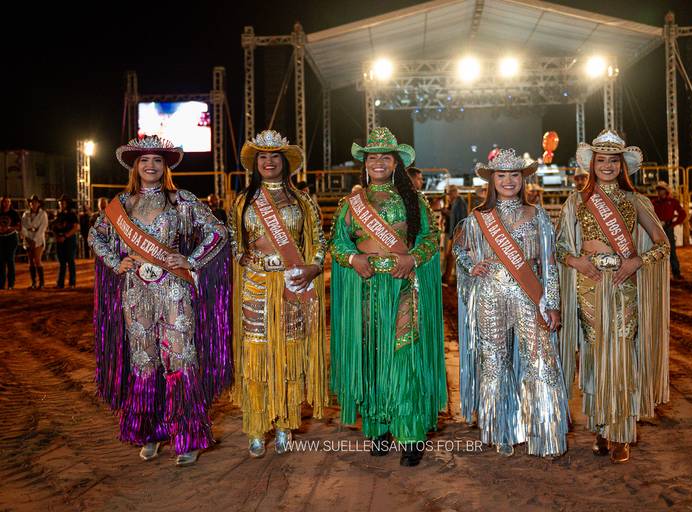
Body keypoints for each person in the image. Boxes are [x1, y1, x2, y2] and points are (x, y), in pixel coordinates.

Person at [88, 135, 232, 466]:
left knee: (180, 358)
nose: (150, 165)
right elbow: (95, 235)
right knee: (144, 360)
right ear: (135, 167)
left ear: (165, 166)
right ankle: (150, 433)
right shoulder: (122, 204)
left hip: (173, 290)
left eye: (157, 160)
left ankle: (187, 437)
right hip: (136, 291)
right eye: (144, 160)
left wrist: (191, 260)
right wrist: (116, 262)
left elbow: (218, 232)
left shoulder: (181, 200)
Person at [330, 127, 446, 467]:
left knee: (403, 355)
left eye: (385, 157)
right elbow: (338, 243)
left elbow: (429, 238)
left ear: (396, 163)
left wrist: (413, 259)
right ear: (364, 163)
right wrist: (354, 259)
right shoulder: (350, 205)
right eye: (372, 157)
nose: (378, 162)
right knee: (372, 355)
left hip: (404, 287)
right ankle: (378, 429)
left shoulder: (414, 201)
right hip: (366, 289)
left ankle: (410, 434)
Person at [556, 129, 670, 464]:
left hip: (624, 286)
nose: (607, 166)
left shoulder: (636, 201)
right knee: (595, 358)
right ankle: (601, 429)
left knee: (621, 356)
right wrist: (577, 261)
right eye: (601, 160)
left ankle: (622, 433)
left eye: (614, 161)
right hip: (589, 288)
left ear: (623, 166)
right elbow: (560, 248)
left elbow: (662, 244)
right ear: (592, 165)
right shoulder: (576, 201)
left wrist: (637, 261)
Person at [454, 148, 567, 457]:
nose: (508, 181)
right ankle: (501, 431)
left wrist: (552, 304)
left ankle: (544, 434)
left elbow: (549, 263)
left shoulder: (538, 215)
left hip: (530, 296)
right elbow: (459, 249)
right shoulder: (478, 218)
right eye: (501, 175)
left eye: (514, 175)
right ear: (491, 181)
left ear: (522, 179)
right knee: (494, 362)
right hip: (490, 296)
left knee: (540, 360)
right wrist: (471, 266)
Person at [228, 130, 327, 457]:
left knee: (289, 354)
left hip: (291, 284)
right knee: (256, 354)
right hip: (255, 285)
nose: (268, 162)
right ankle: (257, 427)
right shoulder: (243, 201)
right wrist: (244, 258)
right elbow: (234, 241)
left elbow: (319, 242)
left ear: (284, 161)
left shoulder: (302, 201)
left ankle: (285, 423)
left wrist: (313, 268)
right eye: (262, 157)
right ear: (255, 163)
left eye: (274, 156)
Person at [652, 181, 686, 279]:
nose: (659, 191)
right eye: (658, 190)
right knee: (658, 250)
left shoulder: (672, 201)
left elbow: (683, 214)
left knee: (671, 250)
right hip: (658, 228)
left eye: (661, 189)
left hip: (667, 228)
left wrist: (673, 224)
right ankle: (659, 274)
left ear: (665, 191)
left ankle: (676, 272)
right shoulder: (654, 203)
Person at [51, 195, 79, 288]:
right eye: (60, 202)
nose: (61, 204)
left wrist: (65, 236)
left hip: (69, 240)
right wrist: (57, 236)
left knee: (70, 261)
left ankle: (72, 283)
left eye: (63, 203)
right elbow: (54, 227)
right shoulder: (58, 214)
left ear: (67, 204)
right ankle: (60, 283)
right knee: (62, 262)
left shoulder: (71, 214)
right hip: (60, 240)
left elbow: (76, 227)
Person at [442, 184, 467, 284]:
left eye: (449, 194)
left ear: (454, 192)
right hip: (454, 233)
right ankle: (447, 278)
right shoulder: (457, 202)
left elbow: (461, 221)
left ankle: (447, 279)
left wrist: (457, 235)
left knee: (451, 256)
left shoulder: (459, 202)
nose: (448, 196)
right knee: (451, 256)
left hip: (456, 233)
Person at [21, 195, 48, 289]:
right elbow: (23, 226)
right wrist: (28, 238)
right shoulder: (25, 214)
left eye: (35, 202)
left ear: (39, 203)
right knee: (31, 261)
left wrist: (35, 240)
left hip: (38, 239)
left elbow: (43, 228)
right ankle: (33, 283)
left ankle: (41, 283)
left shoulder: (43, 214)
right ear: (30, 204)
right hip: (28, 238)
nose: (33, 204)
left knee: (37, 260)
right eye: (32, 202)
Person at [0, 196, 21, 290]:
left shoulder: (14, 213)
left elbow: (19, 227)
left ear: (10, 203)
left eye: (7, 202)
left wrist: (10, 228)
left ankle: (11, 284)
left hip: (11, 238)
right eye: (4, 202)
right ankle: (1, 284)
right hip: (1, 238)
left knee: (10, 260)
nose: (5, 204)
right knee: (1, 262)